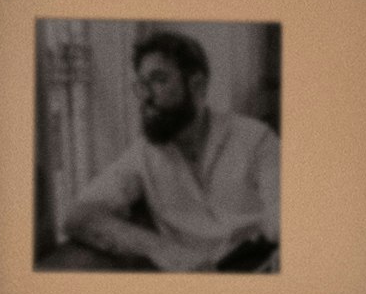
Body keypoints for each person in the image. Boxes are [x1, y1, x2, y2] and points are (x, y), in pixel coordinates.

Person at [50, 27, 282, 274]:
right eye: (141, 85)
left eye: (158, 80)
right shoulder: (143, 154)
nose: (145, 97)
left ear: (197, 85)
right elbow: (77, 216)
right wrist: (160, 248)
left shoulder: (256, 138)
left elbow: (285, 211)